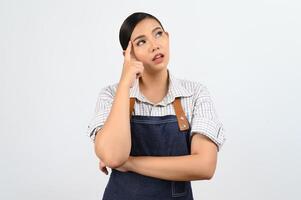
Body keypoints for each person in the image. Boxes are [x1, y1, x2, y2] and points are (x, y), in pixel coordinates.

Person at [87, 12, 226, 200]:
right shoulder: (111, 96)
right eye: (141, 42)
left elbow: (205, 166)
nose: (155, 45)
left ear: (167, 38)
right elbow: (113, 156)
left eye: (158, 34)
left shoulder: (194, 94)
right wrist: (124, 84)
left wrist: (129, 163)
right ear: (128, 54)